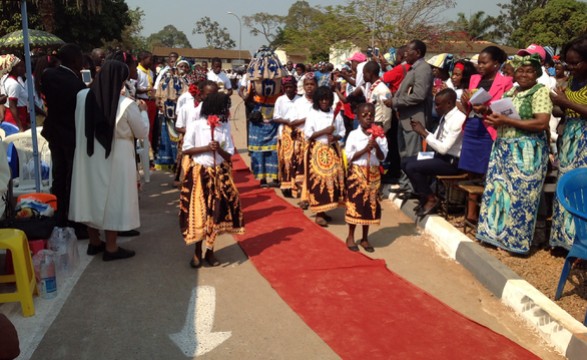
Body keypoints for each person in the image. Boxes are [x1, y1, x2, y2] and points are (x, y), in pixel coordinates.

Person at [69, 60, 149, 261]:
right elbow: (141, 132)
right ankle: (112, 247)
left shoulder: (81, 97)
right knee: (114, 197)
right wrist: (143, 111)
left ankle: (94, 242)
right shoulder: (126, 104)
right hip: (116, 156)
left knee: (89, 195)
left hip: (87, 155)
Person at [475, 53, 552, 254]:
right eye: (520, 71)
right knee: (499, 193)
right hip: (503, 149)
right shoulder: (511, 92)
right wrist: (484, 111)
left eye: (529, 71)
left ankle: (515, 242)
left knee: (521, 197)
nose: (524, 74)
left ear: (536, 73)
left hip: (526, 152)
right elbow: (498, 116)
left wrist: (505, 121)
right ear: (514, 74)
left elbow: (541, 122)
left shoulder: (540, 92)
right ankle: (495, 236)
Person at [180, 93, 244, 267]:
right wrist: (206, 148)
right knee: (200, 214)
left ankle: (210, 251)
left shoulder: (224, 127)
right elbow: (186, 150)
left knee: (215, 214)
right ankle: (197, 251)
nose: (227, 111)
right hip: (200, 174)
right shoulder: (196, 126)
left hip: (220, 174)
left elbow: (229, 154)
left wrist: (219, 150)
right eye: (224, 107)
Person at [41, 44, 87, 228]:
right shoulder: (76, 83)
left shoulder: (48, 75)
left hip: (54, 132)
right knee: (72, 177)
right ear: (75, 60)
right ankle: (72, 216)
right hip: (71, 134)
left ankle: (58, 215)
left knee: (59, 174)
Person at [402, 88, 466, 216]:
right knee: (405, 162)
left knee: (412, 167)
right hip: (439, 157)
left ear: (449, 103)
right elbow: (436, 138)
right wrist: (422, 129)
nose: (435, 107)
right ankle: (424, 194)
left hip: (451, 161)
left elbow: (443, 148)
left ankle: (431, 199)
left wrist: (424, 133)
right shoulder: (445, 116)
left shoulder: (458, 119)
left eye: (438, 104)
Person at [549, 35, 587, 251]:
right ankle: (563, 240)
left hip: (585, 142)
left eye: (576, 63)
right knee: (566, 188)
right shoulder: (571, 81)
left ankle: (582, 245)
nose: (571, 67)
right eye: (568, 63)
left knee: (584, 191)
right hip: (570, 139)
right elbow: (564, 111)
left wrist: (566, 101)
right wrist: (560, 104)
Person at [459, 46, 513, 176]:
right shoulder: (475, 79)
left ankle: (483, 195)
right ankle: (470, 196)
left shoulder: (506, 82)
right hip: (472, 126)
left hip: (489, 128)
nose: (480, 66)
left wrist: (486, 109)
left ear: (496, 64)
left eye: (484, 63)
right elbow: (469, 104)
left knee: (486, 168)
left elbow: (507, 110)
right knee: (468, 168)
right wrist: (465, 101)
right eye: (479, 63)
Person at [389, 40, 434, 193]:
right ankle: (405, 184)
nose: (405, 54)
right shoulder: (413, 68)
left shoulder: (423, 69)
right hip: (405, 117)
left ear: (418, 53)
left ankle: (414, 189)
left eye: (409, 51)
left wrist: (396, 102)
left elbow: (419, 95)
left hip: (415, 119)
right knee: (404, 153)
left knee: (413, 154)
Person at [344, 102, 388, 252]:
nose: (368, 118)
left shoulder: (379, 135)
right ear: (358, 117)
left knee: (369, 206)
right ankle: (350, 236)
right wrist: (364, 149)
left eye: (371, 115)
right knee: (355, 205)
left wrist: (376, 146)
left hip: (373, 173)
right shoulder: (353, 135)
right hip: (357, 173)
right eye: (364, 115)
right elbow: (349, 156)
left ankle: (364, 238)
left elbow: (382, 157)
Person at [304, 86, 346, 226]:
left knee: (332, 180)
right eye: (321, 99)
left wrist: (335, 137)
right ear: (317, 100)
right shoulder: (313, 113)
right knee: (319, 181)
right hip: (317, 150)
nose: (324, 102)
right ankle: (319, 213)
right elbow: (308, 134)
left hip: (332, 150)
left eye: (327, 99)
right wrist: (324, 131)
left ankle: (326, 209)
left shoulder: (336, 114)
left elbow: (343, 132)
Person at [292, 73, 318, 205]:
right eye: (307, 84)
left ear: (316, 86)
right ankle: (304, 196)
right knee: (302, 169)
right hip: (302, 139)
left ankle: (313, 196)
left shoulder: (321, 102)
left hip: (317, 140)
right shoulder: (298, 102)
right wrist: (308, 119)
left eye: (312, 84)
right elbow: (293, 122)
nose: (309, 87)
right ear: (303, 86)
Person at [273, 76, 301, 197]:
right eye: (287, 87)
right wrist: (287, 122)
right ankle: (286, 185)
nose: (289, 89)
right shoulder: (280, 100)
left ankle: (296, 185)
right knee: (285, 160)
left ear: (295, 87)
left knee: (297, 158)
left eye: (291, 87)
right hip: (284, 132)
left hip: (298, 132)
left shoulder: (300, 100)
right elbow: (275, 117)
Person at [1, 55, 28, 131]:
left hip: (14, 117)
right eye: (21, 67)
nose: (24, 69)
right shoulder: (14, 84)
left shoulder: (8, 80)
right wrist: (20, 127)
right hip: (16, 120)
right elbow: (12, 106)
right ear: (12, 68)